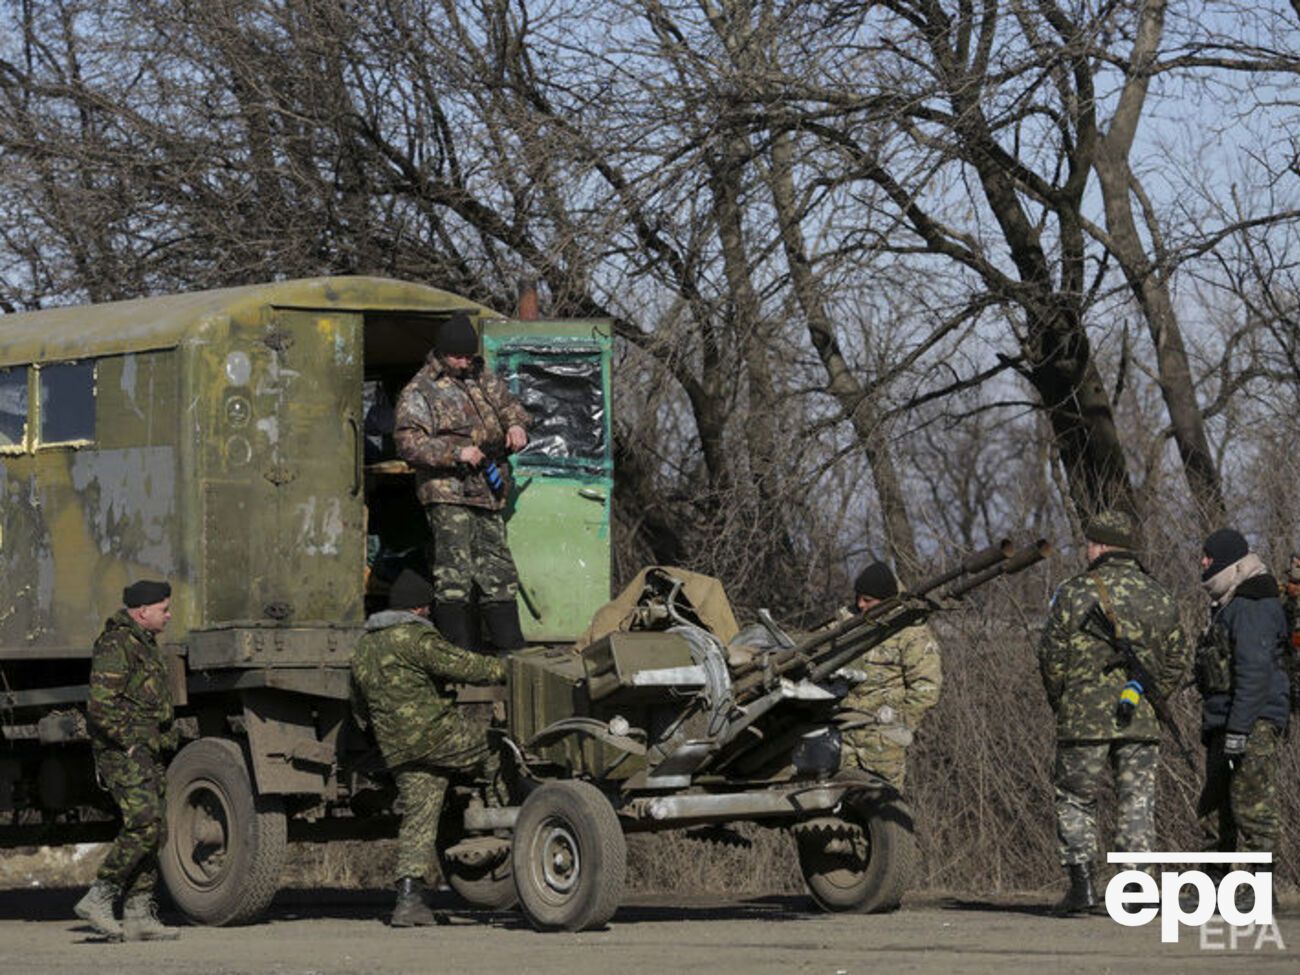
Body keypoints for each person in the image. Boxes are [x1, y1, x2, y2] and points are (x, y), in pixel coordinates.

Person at [1037, 511, 1187, 915]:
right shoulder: (1158, 594)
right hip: (1140, 720)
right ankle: (1135, 891)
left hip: (1082, 719)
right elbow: (1177, 656)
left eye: (1089, 543)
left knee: (1075, 798)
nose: (1087, 550)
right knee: (1136, 801)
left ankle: (1083, 888)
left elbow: (1051, 656)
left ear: (1100, 546)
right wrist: (1149, 695)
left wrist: (1063, 701)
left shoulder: (1073, 592)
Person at [349, 569, 507, 927]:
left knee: (420, 815)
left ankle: (409, 900)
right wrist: (507, 667)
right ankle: (508, 826)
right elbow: (466, 666)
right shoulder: (417, 638)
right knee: (500, 750)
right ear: (419, 609)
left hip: (397, 748)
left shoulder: (364, 646)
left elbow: (358, 706)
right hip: (437, 735)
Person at [395, 311, 530, 653]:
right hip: (448, 492)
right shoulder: (420, 390)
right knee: (454, 571)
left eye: (469, 356)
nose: (464, 362)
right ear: (442, 353)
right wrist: (457, 453)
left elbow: (511, 406)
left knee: (498, 568)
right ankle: (456, 651)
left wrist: (517, 425)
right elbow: (409, 443)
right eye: (458, 356)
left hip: (488, 489)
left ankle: (510, 649)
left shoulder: (482, 377)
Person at [74, 580, 180, 941]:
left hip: (147, 749)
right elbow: (101, 705)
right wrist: (130, 743)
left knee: (157, 829)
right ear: (143, 612)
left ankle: (138, 913)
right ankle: (99, 897)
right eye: (164, 609)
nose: (169, 615)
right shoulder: (116, 644)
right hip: (123, 752)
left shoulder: (143, 643)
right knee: (144, 823)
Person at [1194, 529, 1291, 889]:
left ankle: (1260, 889)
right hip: (1228, 719)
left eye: (1208, 556)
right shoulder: (1231, 604)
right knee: (1215, 806)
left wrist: (1239, 729)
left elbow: (1254, 672)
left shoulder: (1252, 603)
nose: (1203, 562)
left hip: (1251, 721)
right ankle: (1214, 884)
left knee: (1252, 805)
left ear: (1227, 561)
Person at [839, 561, 942, 794]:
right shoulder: (847, 622)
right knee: (841, 803)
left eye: (868, 600)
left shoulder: (910, 632)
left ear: (885, 600)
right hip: (844, 736)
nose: (860, 604)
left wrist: (897, 729)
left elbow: (926, 687)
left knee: (883, 804)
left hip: (882, 743)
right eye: (858, 598)